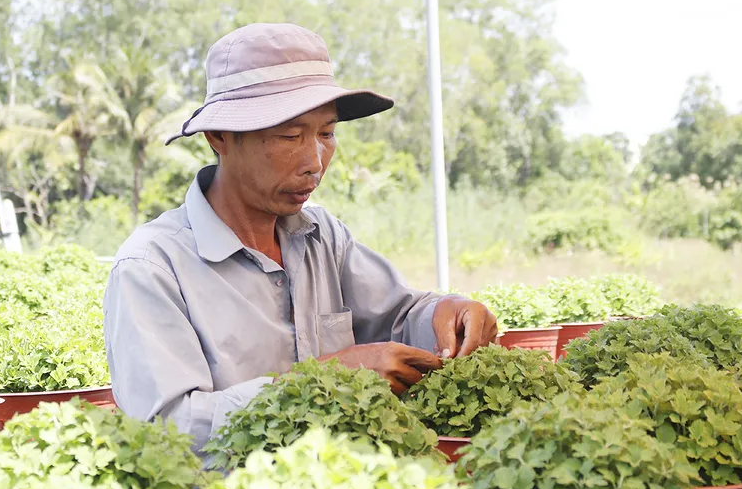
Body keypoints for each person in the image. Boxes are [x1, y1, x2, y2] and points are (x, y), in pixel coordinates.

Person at [103, 23, 498, 451]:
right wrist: (328, 378)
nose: (315, 162)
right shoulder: (151, 269)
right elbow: (168, 429)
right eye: (291, 135)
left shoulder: (322, 237)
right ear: (219, 137)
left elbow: (399, 318)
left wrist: (447, 312)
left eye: (326, 133)